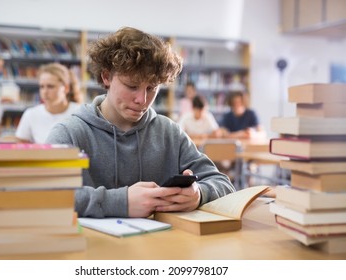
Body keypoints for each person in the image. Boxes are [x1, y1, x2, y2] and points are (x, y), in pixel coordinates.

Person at [46, 27, 235, 218]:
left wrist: (199, 194)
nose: (142, 99)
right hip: (94, 247)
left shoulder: (169, 132)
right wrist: (120, 202)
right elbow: (44, 196)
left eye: (152, 88)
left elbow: (223, 183)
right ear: (106, 77)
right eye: (132, 86)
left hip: (164, 246)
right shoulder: (68, 133)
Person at [15, 63, 83, 143]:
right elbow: (21, 146)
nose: (45, 92)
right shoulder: (31, 114)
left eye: (50, 86)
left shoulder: (80, 113)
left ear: (66, 88)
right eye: (42, 87)